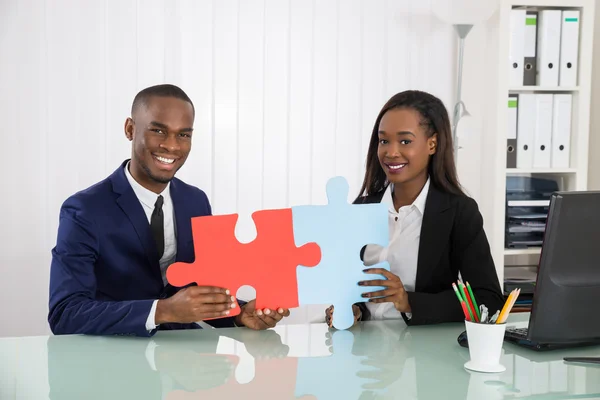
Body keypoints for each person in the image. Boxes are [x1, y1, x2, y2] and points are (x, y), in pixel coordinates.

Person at [48, 84, 290, 336]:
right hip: (115, 357)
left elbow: (198, 290)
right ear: (130, 129)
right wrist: (162, 311)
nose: (171, 146)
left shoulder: (195, 201)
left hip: (186, 360)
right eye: (158, 131)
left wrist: (239, 314)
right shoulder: (84, 210)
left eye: (183, 135)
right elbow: (65, 314)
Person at [325, 90, 504, 327]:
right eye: (383, 140)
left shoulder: (458, 212)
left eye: (405, 141)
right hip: (363, 353)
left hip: (420, 354)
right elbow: (349, 288)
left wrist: (408, 302)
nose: (391, 152)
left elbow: (488, 301)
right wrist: (351, 309)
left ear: (432, 144)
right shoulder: (361, 209)